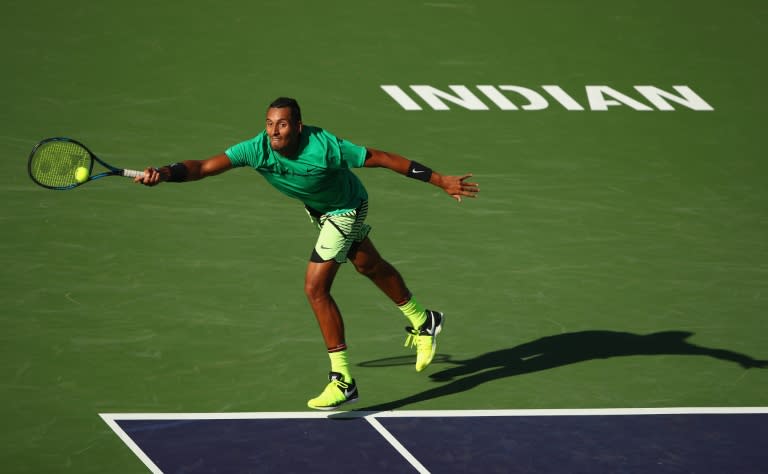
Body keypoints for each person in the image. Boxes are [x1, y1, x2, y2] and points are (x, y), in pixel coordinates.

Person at [135, 97, 479, 410]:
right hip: (320, 210)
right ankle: (423, 320)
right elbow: (203, 167)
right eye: (269, 123)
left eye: (282, 124)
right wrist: (163, 174)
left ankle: (342, 380)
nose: (274, 131)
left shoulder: (325, 147)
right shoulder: (257, 149)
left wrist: (439, 181)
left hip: (346, 207)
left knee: (315, 288)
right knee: (368, 265)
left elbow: (383, 158)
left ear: (298, 126)